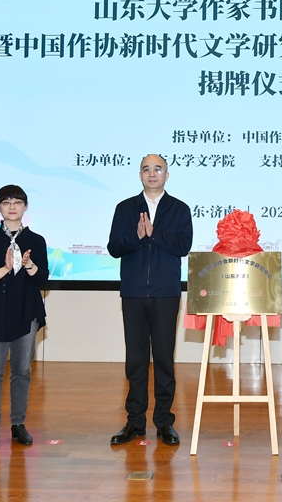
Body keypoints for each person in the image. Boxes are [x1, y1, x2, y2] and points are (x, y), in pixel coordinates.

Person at [107, 154, 193, 446]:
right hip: (133, 293)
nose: (152, 174)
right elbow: (114, 247)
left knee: (164, 359)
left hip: (165, 293)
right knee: (136, 359)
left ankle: (164, 421)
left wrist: (153, 234)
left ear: (167, 175)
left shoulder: (179, 209)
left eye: (158, 169)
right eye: (146, 169)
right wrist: (137, 237)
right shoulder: (125, 208)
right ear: (140, 175)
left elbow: (183, 246)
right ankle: (135, 421)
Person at [0, 184, 49, 453]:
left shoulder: (36, 241)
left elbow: (42, 279)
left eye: (17, 202)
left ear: (25, 207)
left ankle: (18, 424)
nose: (12, 207)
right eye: (6, 203)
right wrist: (5, 268)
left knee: (22, 371)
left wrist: (29, 265)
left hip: (26, 313)